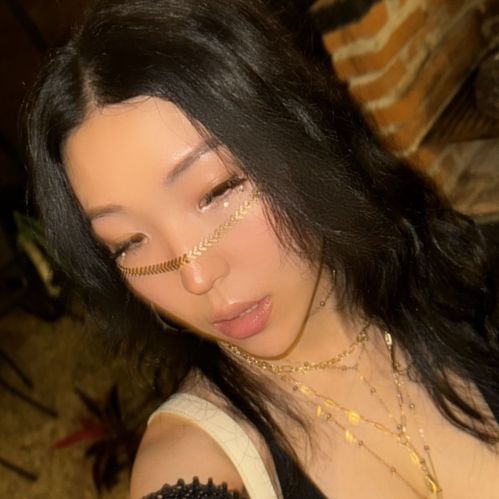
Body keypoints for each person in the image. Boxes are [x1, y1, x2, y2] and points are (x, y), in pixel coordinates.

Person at [24, 0, 499, 497]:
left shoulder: (453, 275)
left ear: (298, 136)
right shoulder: (195, 463)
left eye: (216, 190)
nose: (196, 276)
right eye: (128, 243)